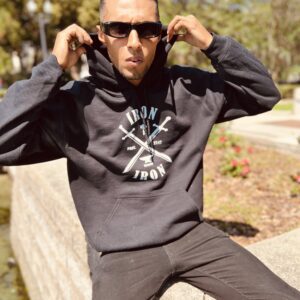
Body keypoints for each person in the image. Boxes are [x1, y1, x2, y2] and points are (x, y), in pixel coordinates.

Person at [0, 0, 299, 299]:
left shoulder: (188, 88)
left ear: (162, 34)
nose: (134, 43)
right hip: (122, 253)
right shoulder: (74, 105)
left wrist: (212, 43)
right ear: (100, 35)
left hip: (192, 236)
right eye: (119, 29)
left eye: (146, 30)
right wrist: (53, 67)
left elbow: (264, 93)